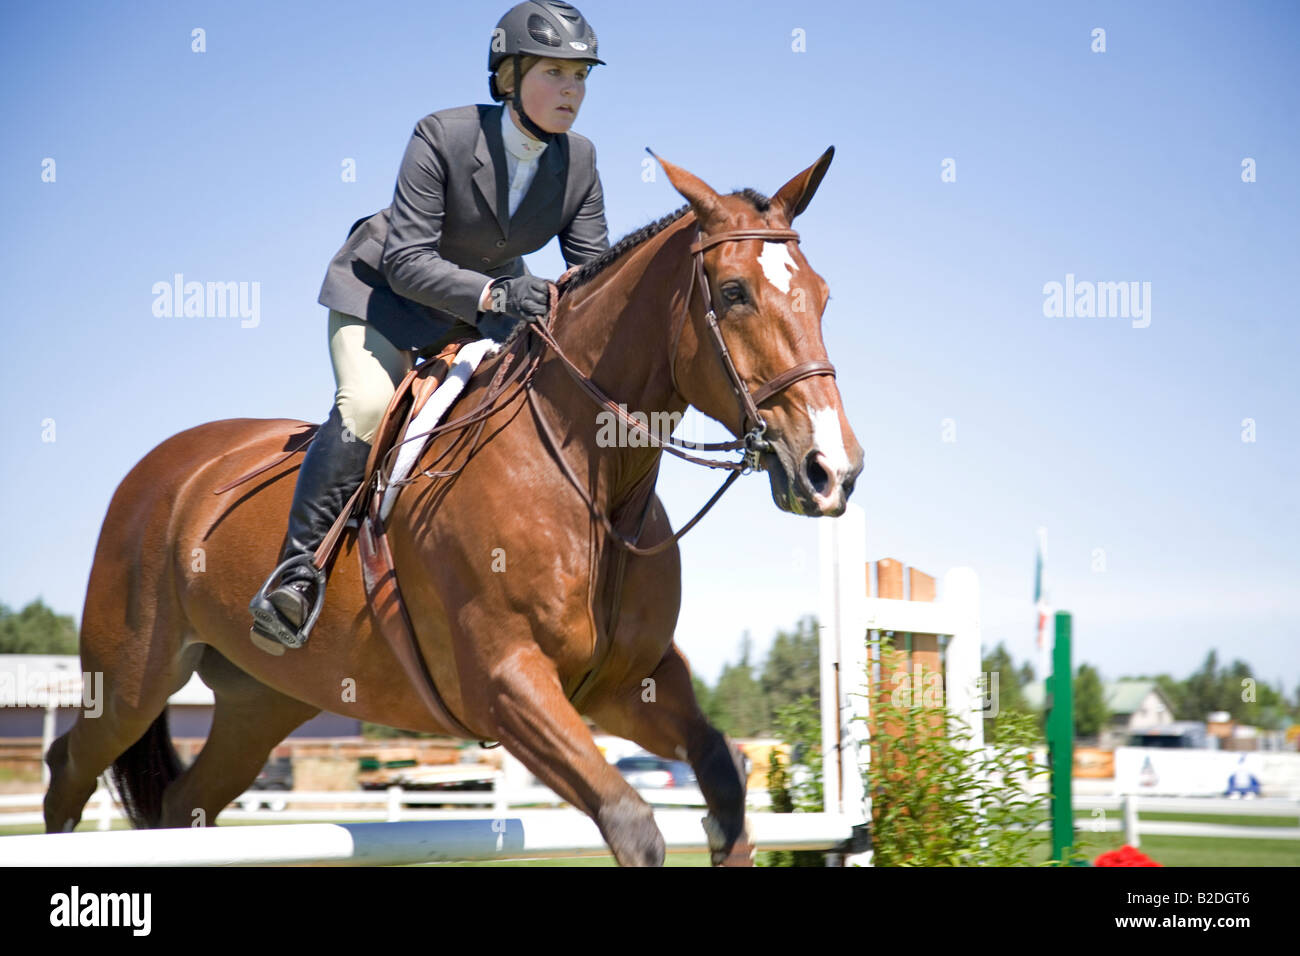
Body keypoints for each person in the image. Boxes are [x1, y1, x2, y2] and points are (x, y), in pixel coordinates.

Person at [249, 0, 610, 652]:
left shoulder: (579, 163)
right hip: (384, 297)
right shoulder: (441, 135)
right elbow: (407, 260)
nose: (572, 90)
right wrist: (501, 293)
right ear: (508, 77)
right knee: (366, 406)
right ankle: (296, 575)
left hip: (481, 315)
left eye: (581, 76)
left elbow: (592, 279)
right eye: (555, 72)